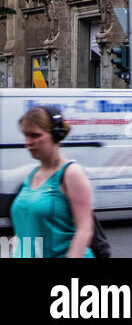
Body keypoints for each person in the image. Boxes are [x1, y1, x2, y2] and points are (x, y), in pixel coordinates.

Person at [11, 104, 95, 258]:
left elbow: (85, 229)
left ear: (56, 135)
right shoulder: (32, 175)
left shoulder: (71, 173)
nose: (28, 142)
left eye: (35, 135)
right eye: (26, 135)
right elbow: (25, 229)